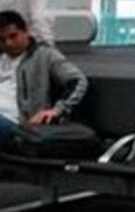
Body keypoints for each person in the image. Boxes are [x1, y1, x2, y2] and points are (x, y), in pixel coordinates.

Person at [0, 11, 88, 144]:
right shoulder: (2, 58)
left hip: (16, 122)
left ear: (26, 32)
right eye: (2, 40)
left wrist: (57, 110)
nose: (9, 43)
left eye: (13, 36)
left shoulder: (44, 55)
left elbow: (77, 80)